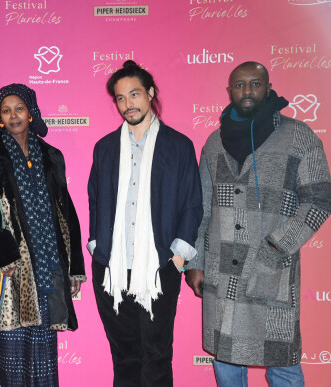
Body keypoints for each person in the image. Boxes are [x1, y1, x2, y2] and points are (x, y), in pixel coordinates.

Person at [185, 61, 331, 386]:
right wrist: (195, 262)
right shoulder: (213, 143)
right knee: (226, 362)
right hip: (221, 273)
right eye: (240, 85)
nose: (247, 90)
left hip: (271, 270)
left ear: (268, 88)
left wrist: (276, 246)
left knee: (282, 363)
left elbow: (320, 199)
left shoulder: (298, 137)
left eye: (255, 83)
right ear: (230, 91)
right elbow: (201, 209)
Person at [88, 60, 203, 386]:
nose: (128, 104)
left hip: (159, 266)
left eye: (134, 94)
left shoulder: (178, 146)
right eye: (121, 98)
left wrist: (177, 255)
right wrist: (99, 246)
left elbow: (192, 203)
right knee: (124, 354)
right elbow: (95, 199)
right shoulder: (105, 148)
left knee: (156, 354)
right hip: (112, 266)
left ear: (150, 93)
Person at [0, 83, 86, 386]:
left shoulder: (50, 155)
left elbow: (65, 213)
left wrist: (73, 269)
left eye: (19, 108)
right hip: (8, 270)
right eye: (6, 110)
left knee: (42, 354)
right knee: (7, 352)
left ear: (31, 113)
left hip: (46, 269)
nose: (13, 115)